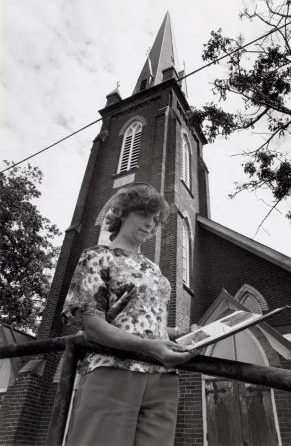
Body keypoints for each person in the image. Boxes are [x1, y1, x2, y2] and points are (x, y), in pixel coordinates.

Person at [62, 183, 194, 446]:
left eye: (156, 220)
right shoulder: (98, 257)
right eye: (146, 214)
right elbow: (93, 325)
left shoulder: (154, 269)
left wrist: (180, 334)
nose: (151, 224)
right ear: (123, 212)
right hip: (114, 368)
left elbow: (140, 321)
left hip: (162, 377)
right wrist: (150, 346)